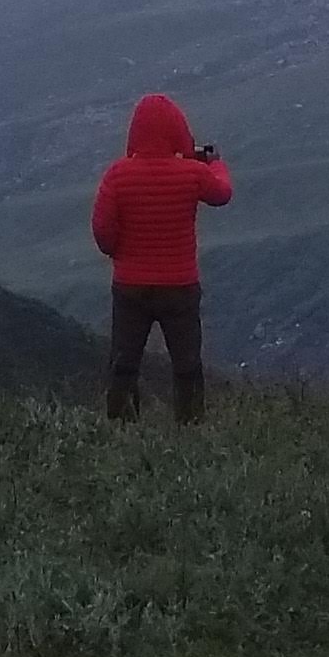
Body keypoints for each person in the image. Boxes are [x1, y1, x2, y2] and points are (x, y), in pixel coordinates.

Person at [88, 91, 232, 423]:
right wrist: (214, 163)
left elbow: (103, 234)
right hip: (180, 285)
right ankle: (190, 430)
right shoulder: (192, 175)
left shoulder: (117, 174)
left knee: (124, 364)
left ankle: (123, 431)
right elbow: (222, 193)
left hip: (130, 287)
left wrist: (122, 253)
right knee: (186, 366)